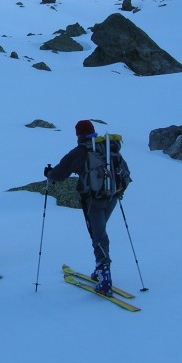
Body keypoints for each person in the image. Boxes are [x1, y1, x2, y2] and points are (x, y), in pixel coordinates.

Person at [44, 119, 120, 296]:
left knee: (97, 235)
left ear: (78, 134)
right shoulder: (107, 147)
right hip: (112, 196)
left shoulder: (81, 151)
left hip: (93, 200)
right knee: (99, 233)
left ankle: (104, 275)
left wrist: (49, 174)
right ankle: (100, 270)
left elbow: (60, 173)